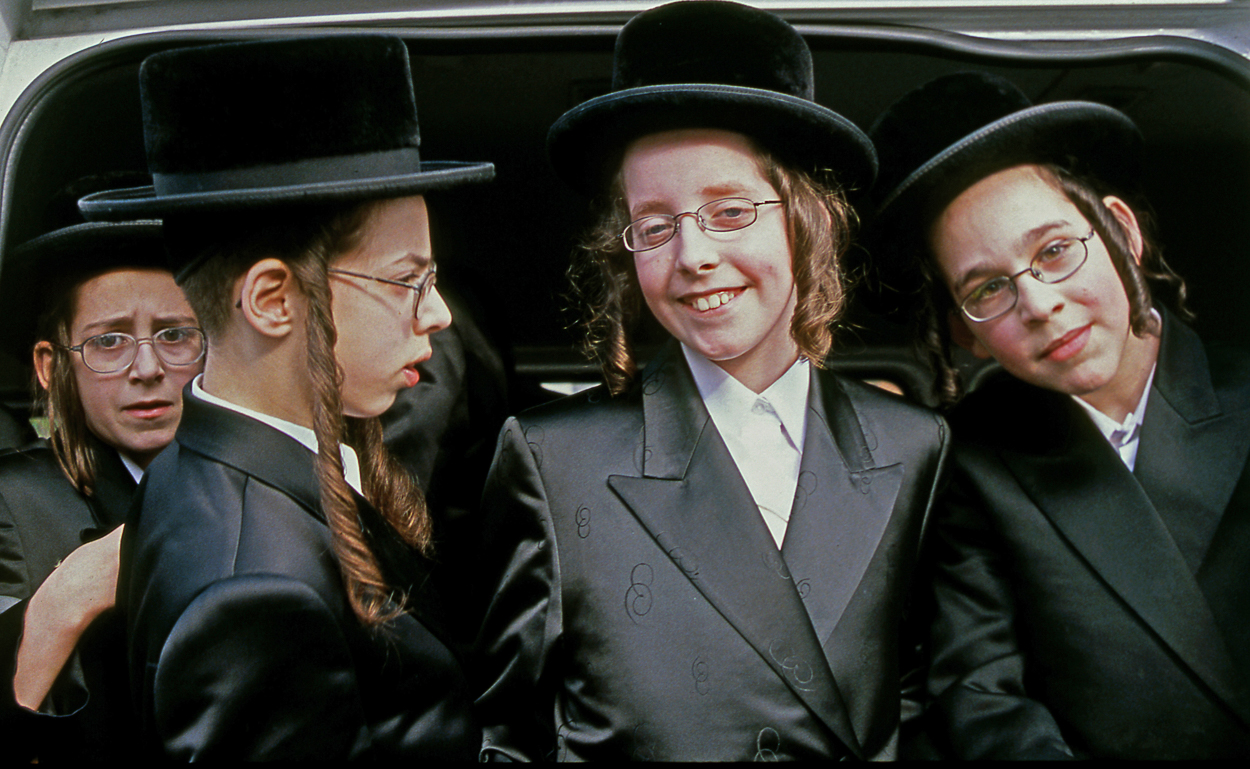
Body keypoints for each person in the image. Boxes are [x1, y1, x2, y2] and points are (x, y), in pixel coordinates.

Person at [472, 2, 948, 761]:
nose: (692, 252)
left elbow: (923, 708)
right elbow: (509, 738)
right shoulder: (554, 461)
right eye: (655, 225)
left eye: (729, 211)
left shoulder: (915, 447)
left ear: (805, 220)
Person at [79, 35, 494, 759]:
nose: (440, 315)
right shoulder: (255, 596)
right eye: (408, 280)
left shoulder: (204, 473)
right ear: (274, 298)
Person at [868, 71, 1250, 759]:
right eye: (988, 288)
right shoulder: (975, 463)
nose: (1040, 304)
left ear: (1121, 231)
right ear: (966, 332)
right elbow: (982, 694)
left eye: (1052, 251)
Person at [0, 220, 203, 760]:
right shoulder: (14, 504)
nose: (148, 368)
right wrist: (62, 606)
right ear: (50, 365)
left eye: (175, 334)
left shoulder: (250, 486)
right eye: (108, 341)